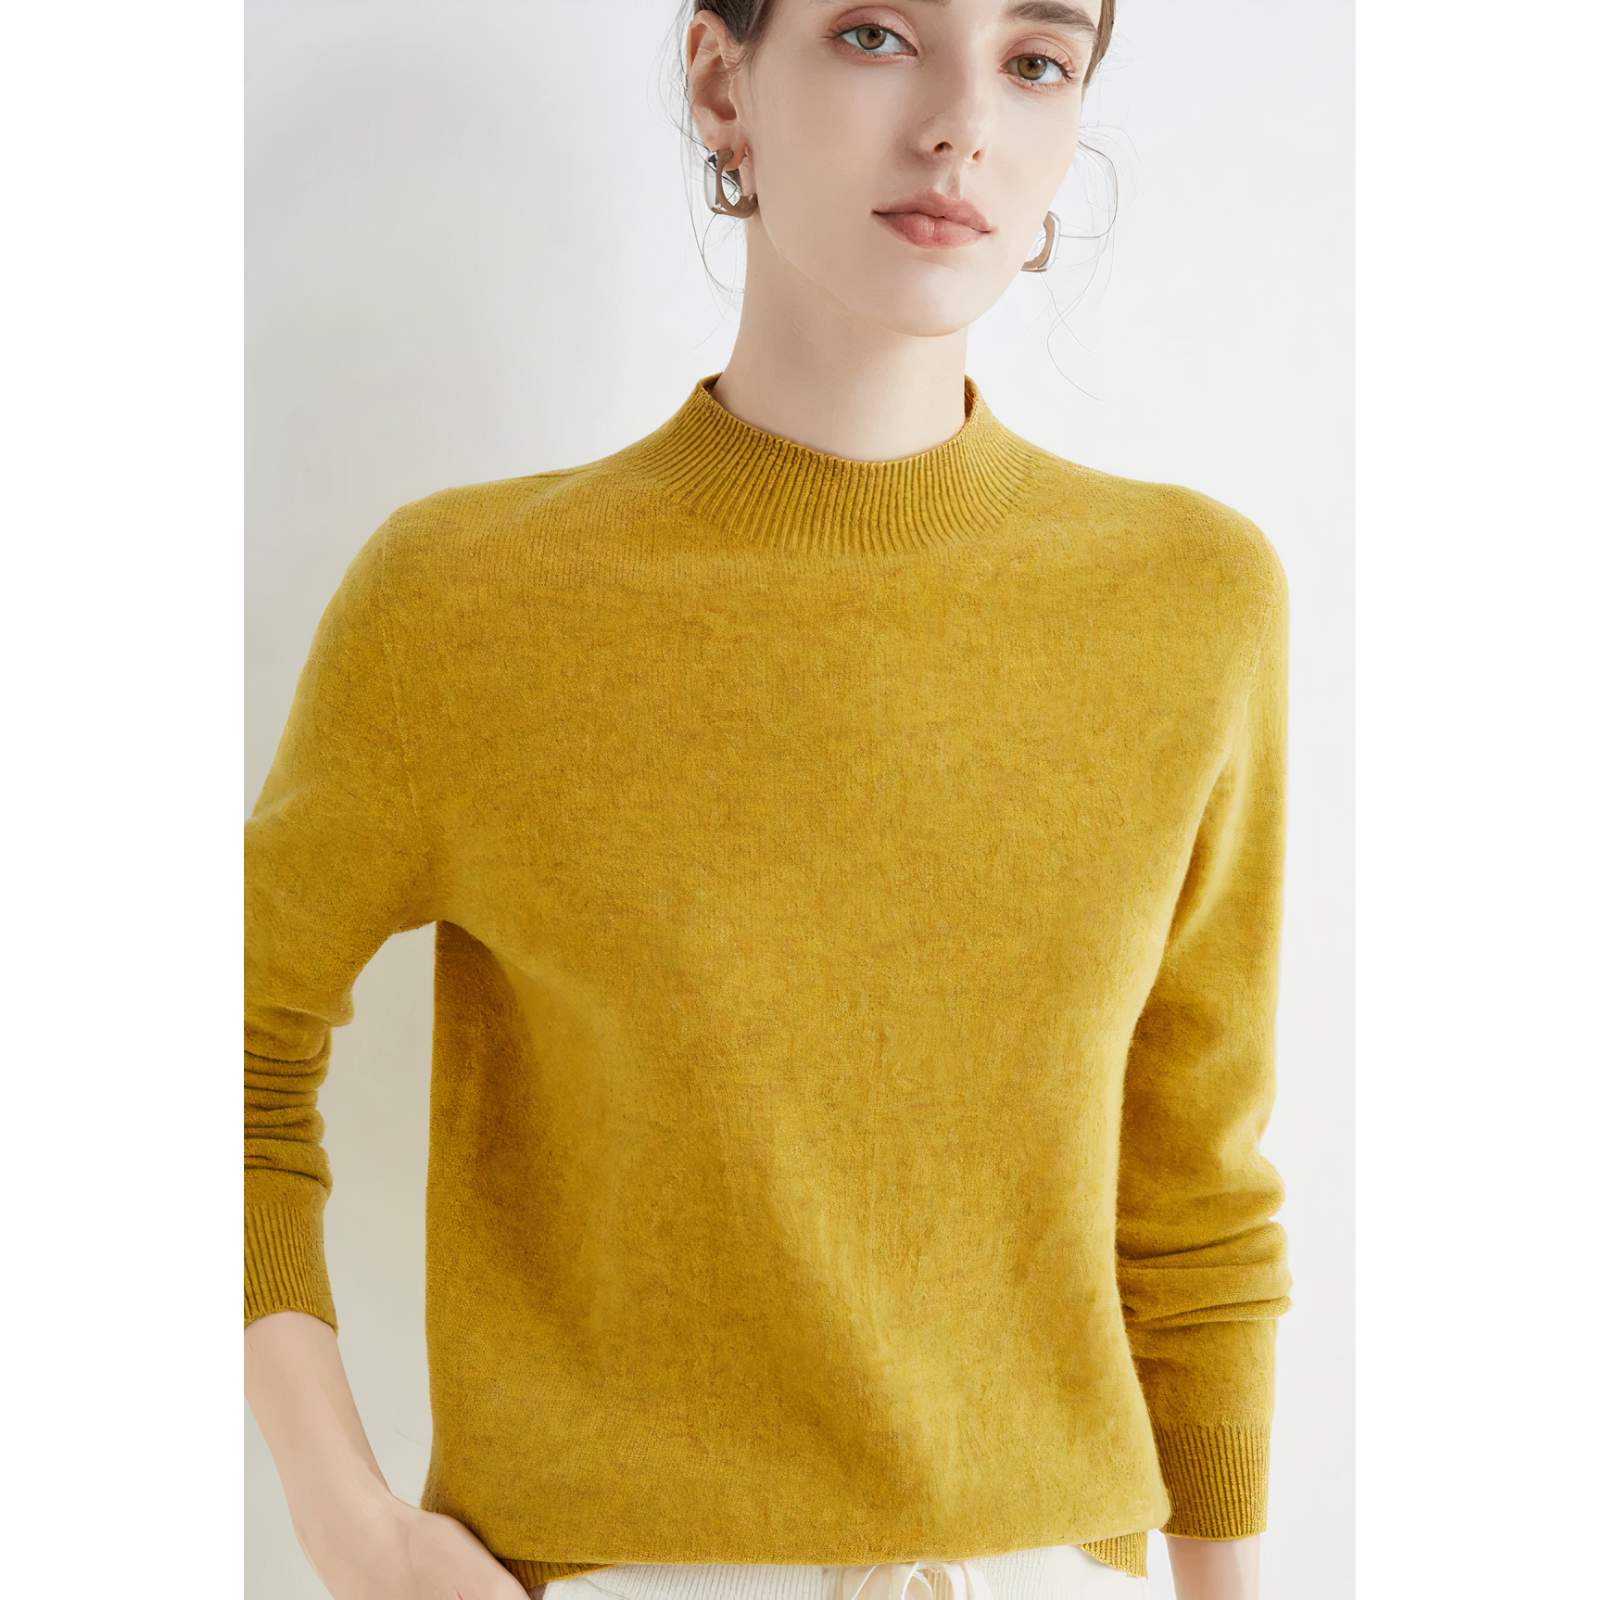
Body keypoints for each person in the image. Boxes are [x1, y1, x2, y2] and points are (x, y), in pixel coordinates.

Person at [243, 3, 1292, 1599]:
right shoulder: (465, 601)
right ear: (722, 79)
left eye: (1034, 60)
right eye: (877, 33)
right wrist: (351, 1526)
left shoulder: (1191, 600)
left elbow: (1196, 1190)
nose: (962, 124)